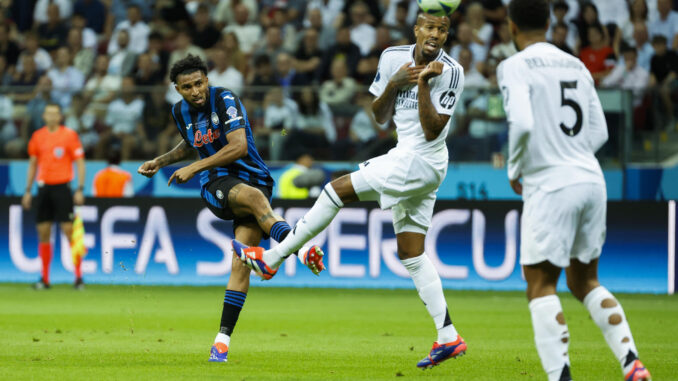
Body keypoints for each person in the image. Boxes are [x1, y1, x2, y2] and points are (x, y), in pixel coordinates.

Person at [235, 12, 467, 369]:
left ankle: (272, 259)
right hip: (406, 157)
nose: (435, 35)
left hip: (423, 160)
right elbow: (378, 114)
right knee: (412, 253)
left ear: (447, 34)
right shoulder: (392, 57)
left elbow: (434, 130)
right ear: (416, 30)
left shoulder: (450, 71)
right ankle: (448, 336)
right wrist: (395, 83)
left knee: (333, 191)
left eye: (442, 30)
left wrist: (421, 83)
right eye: (429, 28)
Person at [496, 1, 652, 380]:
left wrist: (515, 168)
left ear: (512, 27)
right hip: (590, 179)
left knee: (540, 283)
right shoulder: (576, 64)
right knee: (584, 281)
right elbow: (600, 132)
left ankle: (559, 376)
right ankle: (631, 361)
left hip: (551, 183)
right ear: (550, 22)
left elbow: (523, 123)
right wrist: (572, 153)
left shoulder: (513, 66)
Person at [136, 54, 324, 363]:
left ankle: (220, 343)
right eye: (187, 87)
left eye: (199, 83)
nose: (195, 91)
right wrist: (161, 161)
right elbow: (189, 143)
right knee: (252, 200)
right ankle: (302, 252)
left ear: (207, 80)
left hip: (255, 177)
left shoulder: (224, 98)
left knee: (241, 264)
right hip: (217, 183)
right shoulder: (179, 111)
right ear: (177, 89)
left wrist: (194, 166)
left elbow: (237, 146)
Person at [21, 103, 86, 290]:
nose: (51, 117)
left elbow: (80, 162)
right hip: (43, 188)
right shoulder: (37, 136)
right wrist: (27, 190)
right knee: (43, 232)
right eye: (48, 113)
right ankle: (45, 278)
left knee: (69, 231)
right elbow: (33, 163)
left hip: (62, 188)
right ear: (43, 116)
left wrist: (80, 188)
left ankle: (79, 277)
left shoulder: (69, 135)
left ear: (60, 117)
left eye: (55, 114)